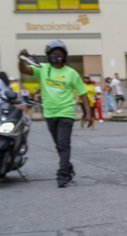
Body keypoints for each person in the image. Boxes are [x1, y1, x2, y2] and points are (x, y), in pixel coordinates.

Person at [19, 40, 92, 188]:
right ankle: (68, 167)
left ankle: (63, 175)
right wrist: (19, 59)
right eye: (54, 54)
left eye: (60, 54)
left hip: (66, 113)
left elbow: (83, 94)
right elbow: (24, 70)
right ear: (48, 56)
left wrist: (88, 114)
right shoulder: (43, 69)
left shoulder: (71, 73)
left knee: (63, 144)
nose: (58, 56)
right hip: (50, 114)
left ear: (65, 56)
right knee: (58, 144)